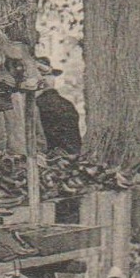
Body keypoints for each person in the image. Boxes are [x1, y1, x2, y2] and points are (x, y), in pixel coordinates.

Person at [36, 82, 83, 224]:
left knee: (55, 192)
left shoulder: (39, 104)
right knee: (70, 194)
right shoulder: (67, 103)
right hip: (71, 154)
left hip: (54, 155)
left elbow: (44, 137)